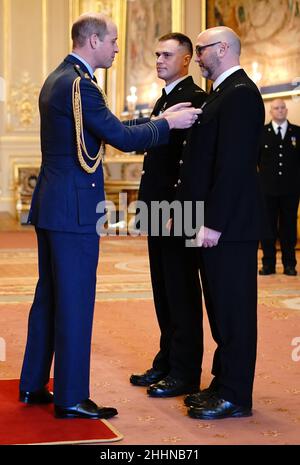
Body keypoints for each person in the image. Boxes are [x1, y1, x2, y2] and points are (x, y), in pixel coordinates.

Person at [18, 13, 200, 420]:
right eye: (114, 41)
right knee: (75, 303)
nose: (118, 48)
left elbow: (106, 126)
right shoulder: (81, 84)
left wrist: (156, 122)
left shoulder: (59, 78)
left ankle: (32, 384)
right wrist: (167, 124)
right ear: (94, 40)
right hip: (75, 210)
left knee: (48, 297)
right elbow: (117, 137)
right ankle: (70, 398)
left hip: (54, 204)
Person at [175, 26, 265, 419]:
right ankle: (222, 383)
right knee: (220, 307)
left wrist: (211, 223)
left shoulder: (241, 95)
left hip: (228, 227)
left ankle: (236, 395)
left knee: (234, 310)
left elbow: (234, 168)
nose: (196, 57)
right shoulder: (223, 95)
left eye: (201, 49)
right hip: (214, 224)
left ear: (223, 49)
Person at [129, 33, 207, 397]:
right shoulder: (166, 97)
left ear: (187, 59)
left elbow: (190, 164)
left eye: (167, 54)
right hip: (158, 208)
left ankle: (185, 371)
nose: (158, 59)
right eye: (156, 53)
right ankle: (166, 361)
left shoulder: (195, 99)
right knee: (163, 288)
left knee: (181, 291)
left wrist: (179, 209)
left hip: (179, 210)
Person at [258, 99, 300, 276]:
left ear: (287, 110)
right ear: (271, 111)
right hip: (267, 190)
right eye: (276, 108)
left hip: (291, 189)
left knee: (289, 227)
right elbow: (255, 161)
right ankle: (268, 263)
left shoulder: (297, 132)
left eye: (283, 107)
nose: (280, 110)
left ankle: (289, 264)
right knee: (267, 227)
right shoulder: (261, 133)